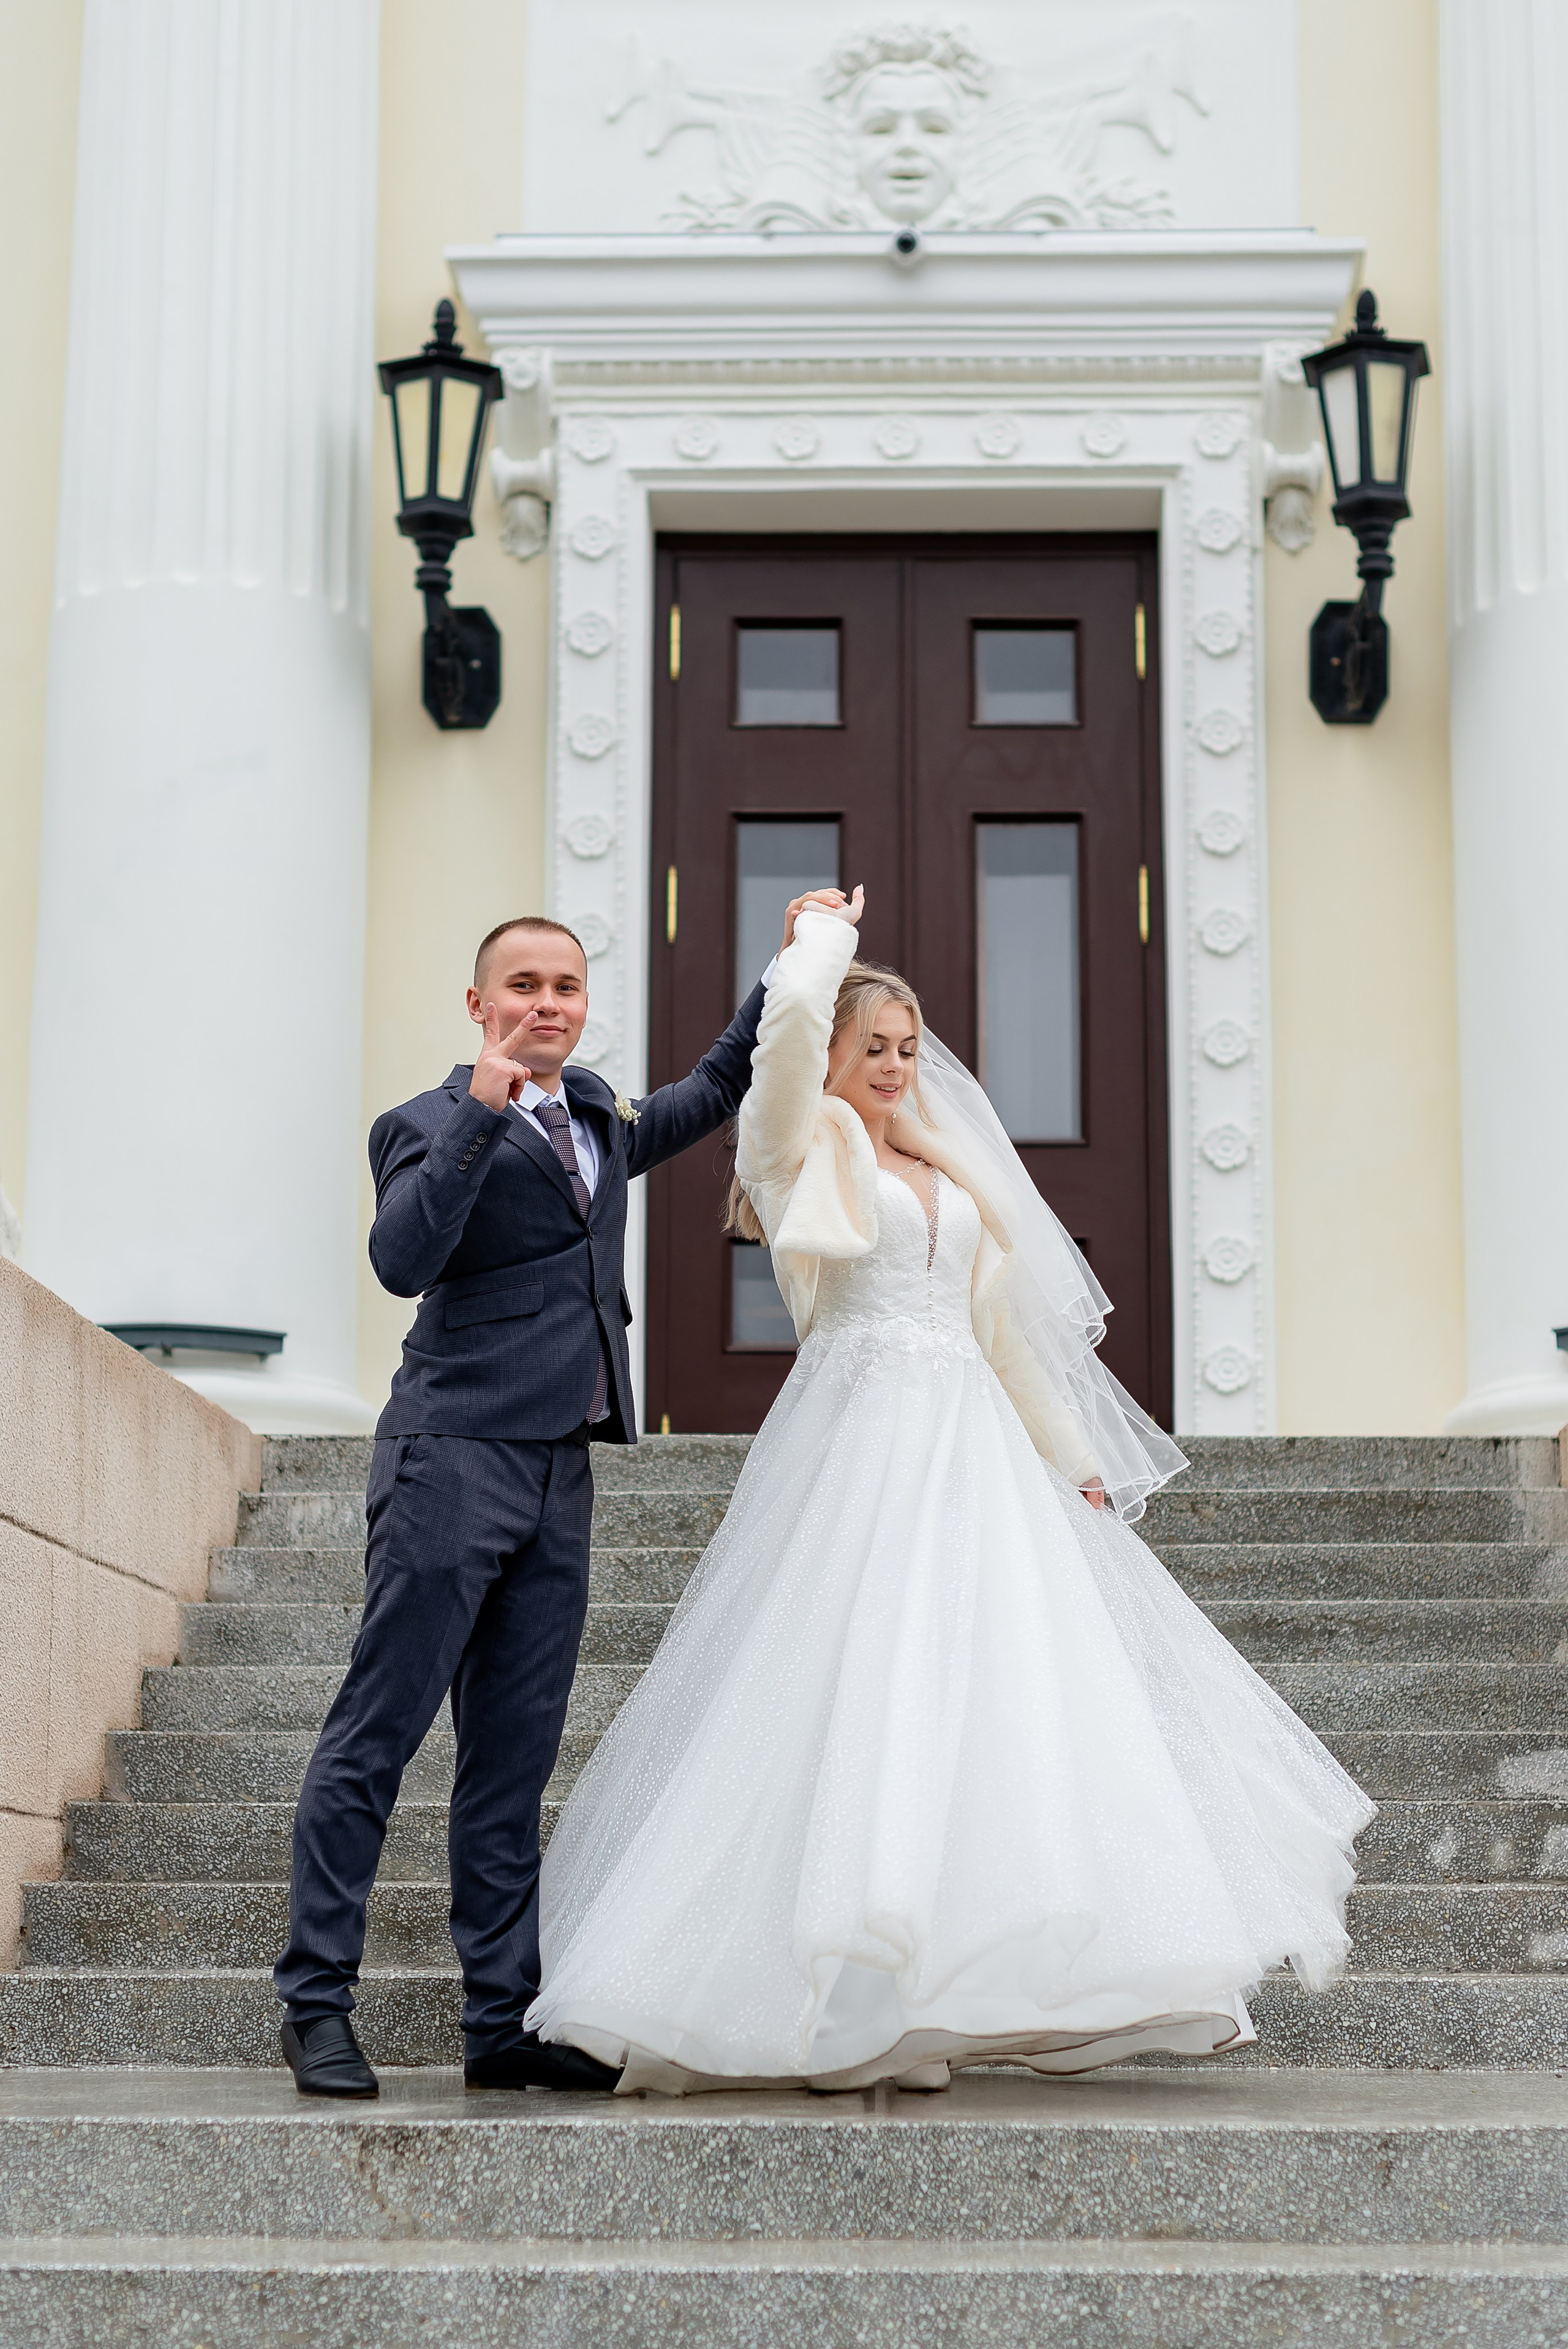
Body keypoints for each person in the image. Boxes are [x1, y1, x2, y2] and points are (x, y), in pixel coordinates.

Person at [528, 892, 1375, 2094]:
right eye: (869, 1044)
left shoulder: (946, 1167)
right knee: (856, 1685)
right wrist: (815, 945)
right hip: (857, 1439)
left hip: (973, 1445)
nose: (891, 1063)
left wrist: (1073, 1455)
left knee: (983, 1699)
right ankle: (832, 1993)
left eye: (905, 1046)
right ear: (829, 1053)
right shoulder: (793, 1149)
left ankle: (926, 1995)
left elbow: (1004, 1336)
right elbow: (772, 1059)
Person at [274, 901, 837, 2098]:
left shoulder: (599, 1115)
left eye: (565, 987)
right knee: (375, 1738)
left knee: (512, 1762)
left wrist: (793, 965)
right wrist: (481, 1112)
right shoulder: (424, 1122)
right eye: (522, 985)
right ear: (478, 1005)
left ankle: (499, 2020)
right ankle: (315, 2002)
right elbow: (401, 1258)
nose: (546, 1003)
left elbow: (716, 1081)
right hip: (449, 1457)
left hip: (557, 1470)